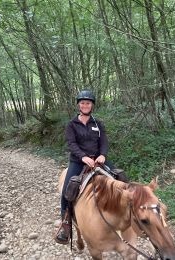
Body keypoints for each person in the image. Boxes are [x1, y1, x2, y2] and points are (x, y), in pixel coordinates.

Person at [54, 90, 115, 245]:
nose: (85, 105)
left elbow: (104, 142)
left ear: (92, 105)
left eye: (88, 103)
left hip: (98, 160)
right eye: (82, 103)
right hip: (78, 161)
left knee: (120, 178)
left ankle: (128, 215)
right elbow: (72, 144)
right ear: (78, 105)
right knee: (68, 190)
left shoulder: (98, 123)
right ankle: (66, 224)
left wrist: (103, 155)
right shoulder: (71, 124)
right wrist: (83, 157)